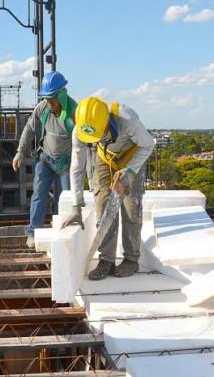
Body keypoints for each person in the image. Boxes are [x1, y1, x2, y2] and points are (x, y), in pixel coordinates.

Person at [61, 96, 154, 280]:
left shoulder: (127, 119)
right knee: (102, 204)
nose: (99, 139)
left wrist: (128, 172)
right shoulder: (81, 129)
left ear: (107, 122)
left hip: (132, 157)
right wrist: (76, 205)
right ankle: (106, 260)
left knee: (130, 208)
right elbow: (77, 167)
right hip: (105, 158)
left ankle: (131, 260)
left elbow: (148, 145)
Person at [12, 71, 77, 248]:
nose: (48, 102)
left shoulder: (74, 113)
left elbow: (84, 145)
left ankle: (63, 233)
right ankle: (33, 231)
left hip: (66, 162)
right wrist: (20, 152)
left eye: (52, 98)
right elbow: (29, 129)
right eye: (46, 98)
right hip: (46, 158)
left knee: (64, 198)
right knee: (39, 194)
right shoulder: (43, 108)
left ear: (61, 95)